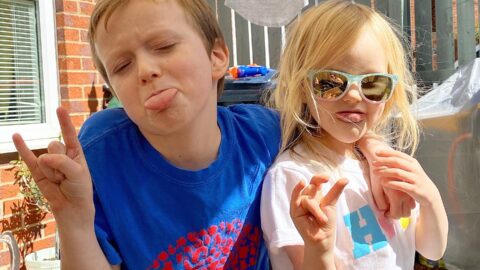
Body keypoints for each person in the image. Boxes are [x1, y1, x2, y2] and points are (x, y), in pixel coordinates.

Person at [12, 0, 282, 269]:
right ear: (116, 94)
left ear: (217, 57)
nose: (144, 71)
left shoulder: (267, 133)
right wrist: (73, 220)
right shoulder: (101, 156)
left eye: (164, 46)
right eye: (121, 66)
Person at [260, 1, 449, 269]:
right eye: (330, 82)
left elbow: (431, 248)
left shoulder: (384, 162)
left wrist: (430, 198)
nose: (353, 95)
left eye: (373, 83)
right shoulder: (295, 177)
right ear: (302, 87)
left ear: (391, 91)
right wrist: (321, 248)